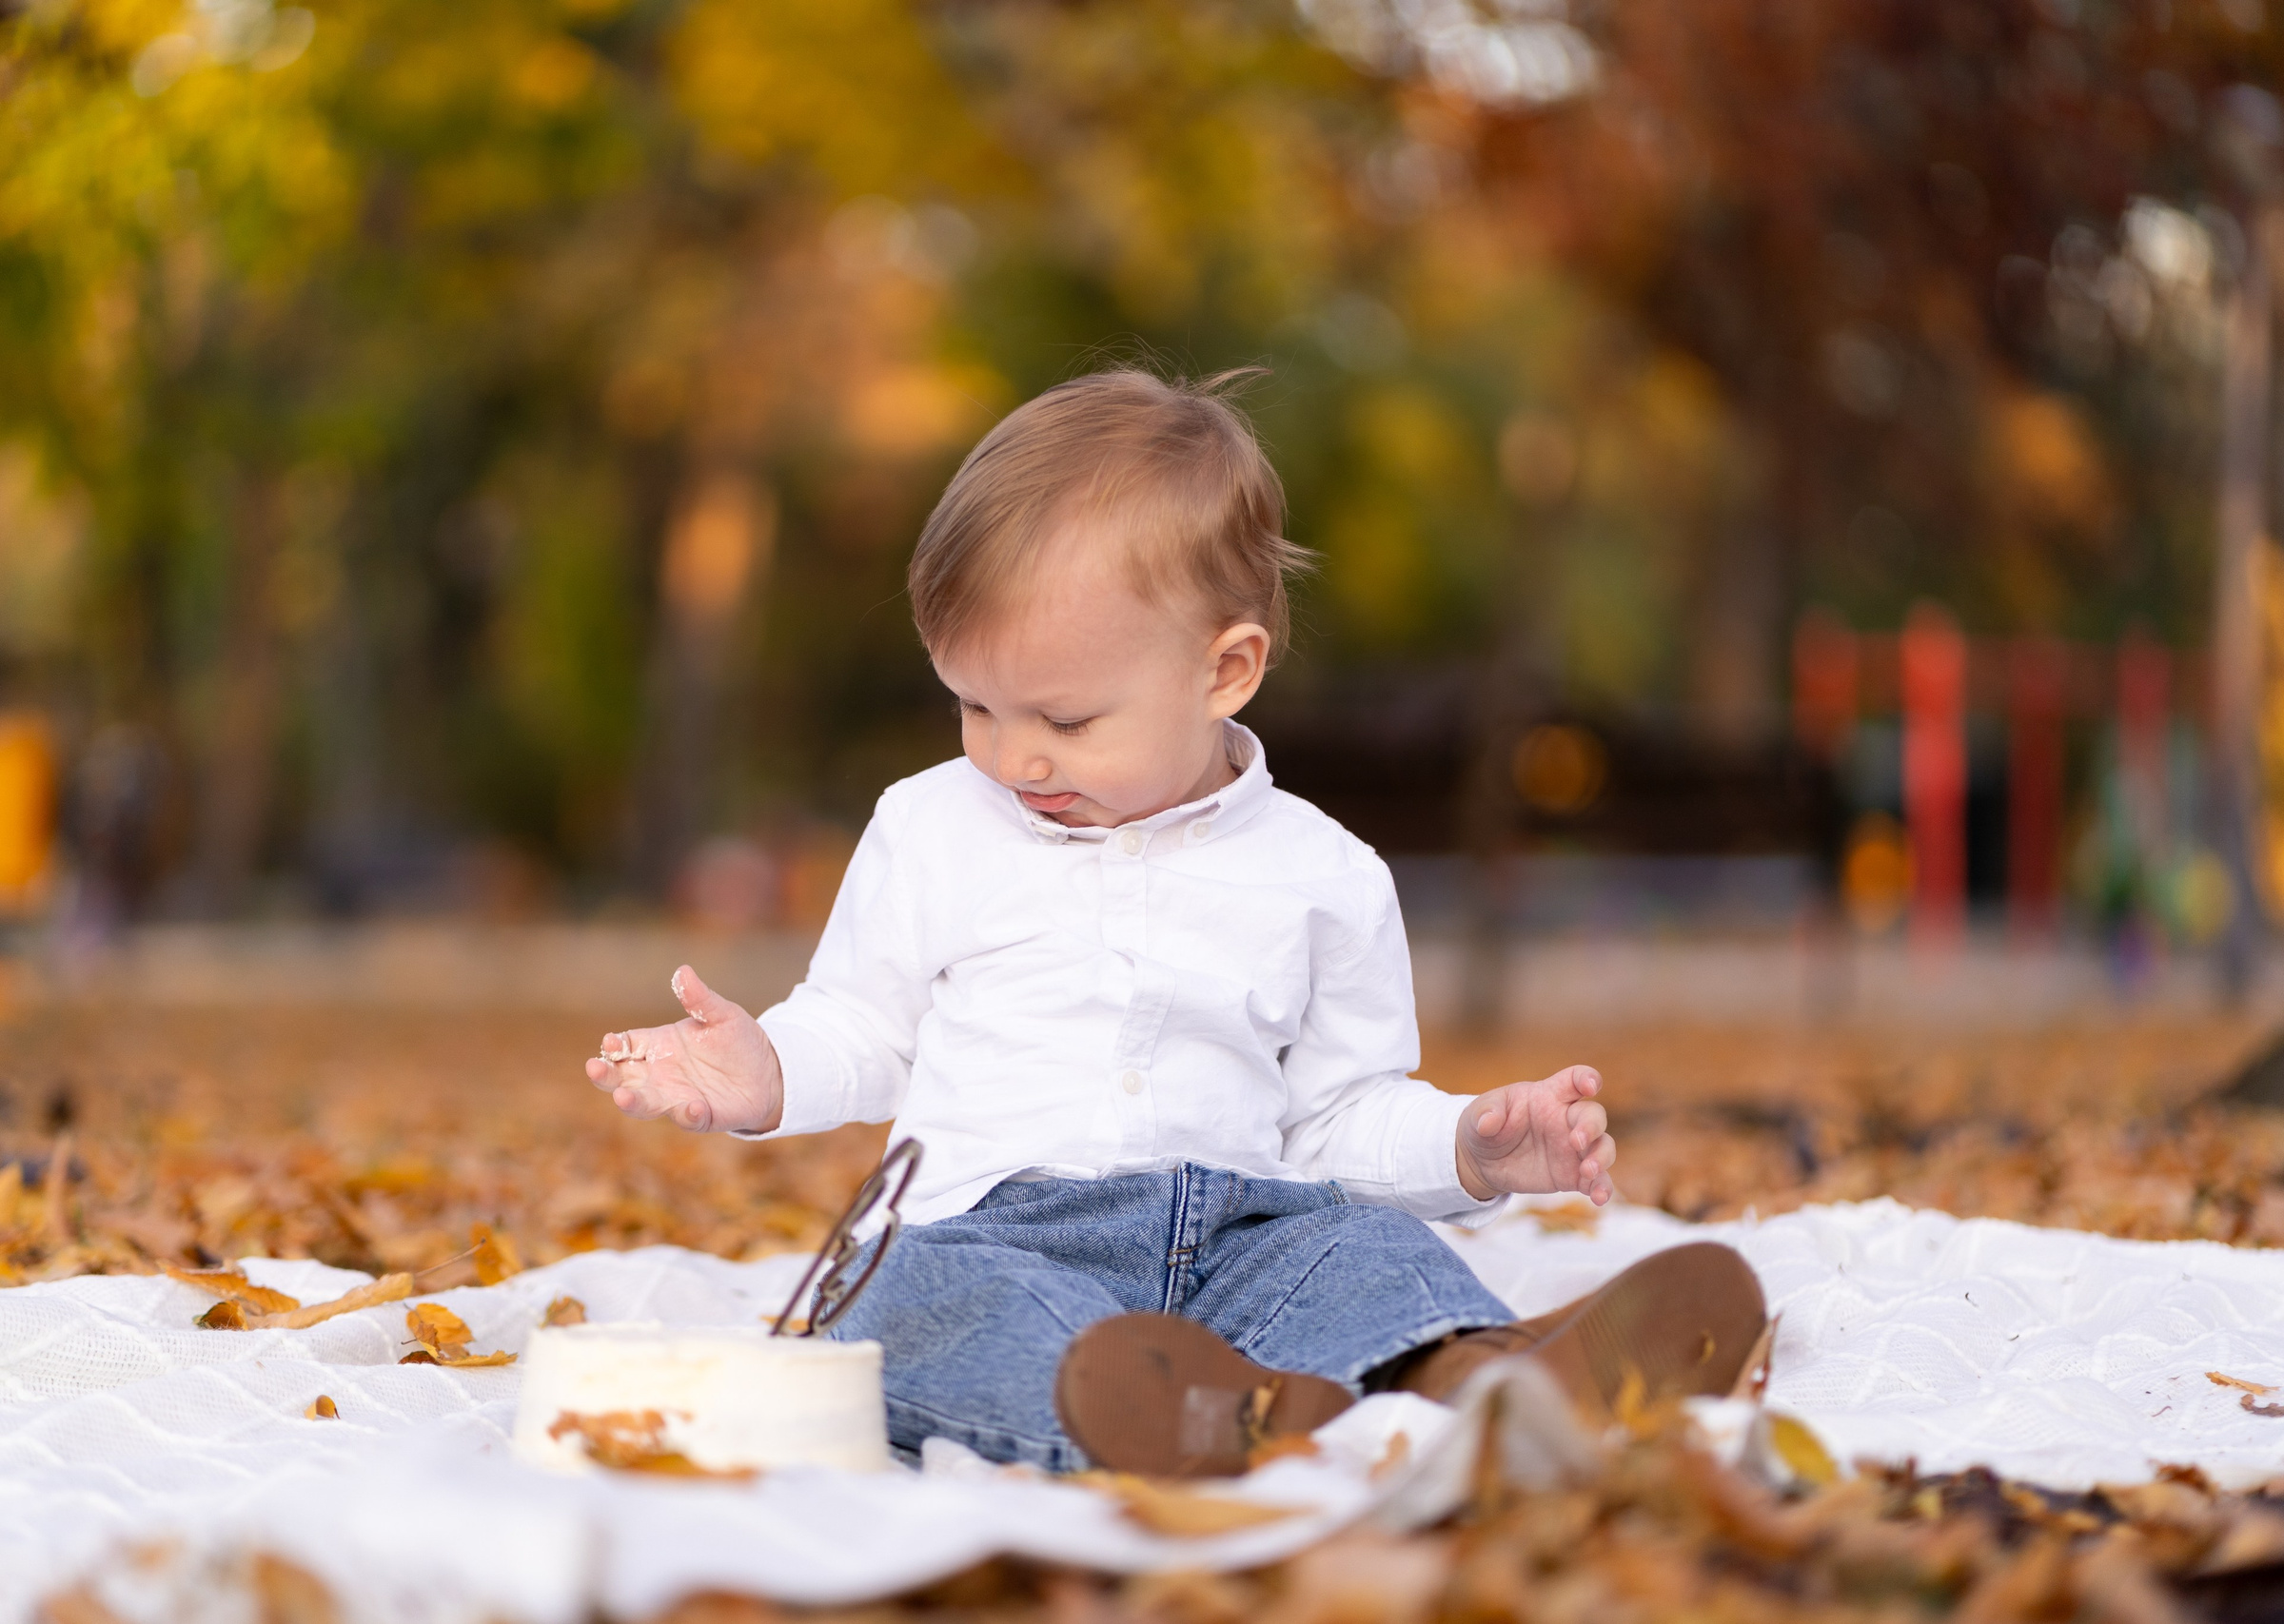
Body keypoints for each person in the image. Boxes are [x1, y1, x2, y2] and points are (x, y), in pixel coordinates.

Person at [588, 370, 1763, 1478]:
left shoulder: (1323, 875)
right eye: (974, 706)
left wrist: (1469, 1147)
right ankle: (1176, 1413)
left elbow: (1336, 1120)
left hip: (1235, 1238)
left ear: (1226, 672)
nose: (1014, 754)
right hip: (1000, 1237)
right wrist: (768, 1072)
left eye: (1064, 716)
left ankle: (1476, 1377)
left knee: (1361, 1257)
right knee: (900, 1300)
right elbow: (864, 1023)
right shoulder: (932, 827)